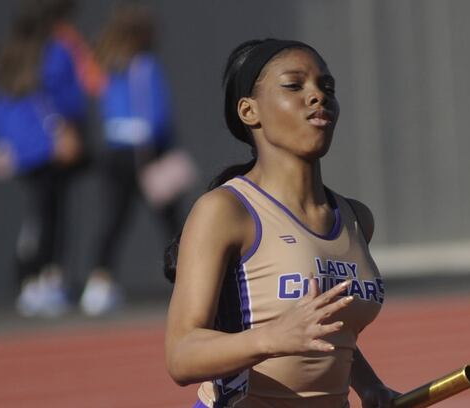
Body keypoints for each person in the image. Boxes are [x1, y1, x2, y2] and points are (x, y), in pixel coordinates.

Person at [164, 39, 400, 407]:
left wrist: (370, 386)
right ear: (249, 111)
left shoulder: (356, 219)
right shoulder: (226, 210)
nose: (318, 96)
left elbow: (329, 331)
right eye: (294, 85)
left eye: (327, 87)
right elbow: (181, 355)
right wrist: (271, 338)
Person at [81, 2, 189, 316]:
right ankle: (189, 280)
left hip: (115, 153)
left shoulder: (107, 66)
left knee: (113, 220)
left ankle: (98, 283)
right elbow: (158, 114)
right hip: (146, 153)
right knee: (172, 223)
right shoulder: (146, 65)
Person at [0, 0, 87, 317]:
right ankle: (47, 279)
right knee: (52, 215)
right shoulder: (54, 52)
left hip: (22, 147)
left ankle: (31, 281)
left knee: (37, 215)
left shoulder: (10, 54)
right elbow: (69, 98)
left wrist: (2, 142)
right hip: (48, 145)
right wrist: (67, 131)